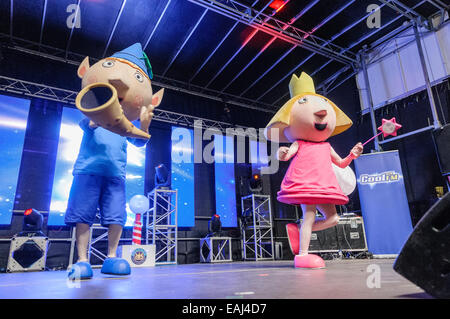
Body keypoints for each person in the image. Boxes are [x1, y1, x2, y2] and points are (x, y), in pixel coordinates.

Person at [66, 43, 163, 279]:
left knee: (116, 216)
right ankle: (81, 260)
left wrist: (145, 125)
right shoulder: (91, 116)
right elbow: (88, 124)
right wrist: (102, 112)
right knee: (83, 215)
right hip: (87, 171)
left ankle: (111, 256)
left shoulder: (125, 126)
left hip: (115, 175)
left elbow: (139, 142)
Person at [264, 72, 363, 269]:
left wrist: (352, 155)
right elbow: (287, 154)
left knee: (333, 219)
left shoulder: (326, 146)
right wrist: (280, 154)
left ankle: (298, 231)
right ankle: (302, 255)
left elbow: (341, 164)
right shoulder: (300, 143)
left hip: (324, 187)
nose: (321, 113)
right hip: (305, 184)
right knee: (309, 215)